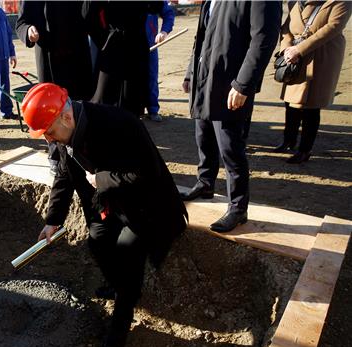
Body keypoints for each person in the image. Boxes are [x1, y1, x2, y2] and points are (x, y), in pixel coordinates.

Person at [21, 83, 188, 347]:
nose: (49, 140)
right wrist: (53, 219)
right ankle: (118, 287)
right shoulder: (64, 134)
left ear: (66, 116)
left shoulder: (119, 123)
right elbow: (64, 176)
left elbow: (147, 174)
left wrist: (100, 180)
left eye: (49, 133)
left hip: (147, 206)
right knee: (98, 242)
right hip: (110, 203)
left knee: (127, 253)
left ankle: (121, 321)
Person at [181, 1, 282, 232]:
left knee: (230, 147)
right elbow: (202, 36)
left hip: (231, 84)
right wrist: (190, 73)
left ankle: (238, 207)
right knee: (203, 134)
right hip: (205, 79)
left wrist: (244, 84)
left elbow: (263, 39)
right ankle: (205, 183)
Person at [16, 1, 94, 176]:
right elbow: (21, 23)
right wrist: (28, 31)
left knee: (80, 105)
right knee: (50, 111)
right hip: (51, 59)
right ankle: (56, 154)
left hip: (78, 56)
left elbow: (90, 13)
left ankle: (85, 149)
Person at [274, 1, 352, 164]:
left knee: (311, 105)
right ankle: (289, 141)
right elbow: (286, 27)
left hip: (320, 58)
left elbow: (333, 27)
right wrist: (287, 48)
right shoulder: (295, 2)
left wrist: (299, 50)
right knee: (291, 102)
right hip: (294, 58)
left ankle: (305, 149)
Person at [82, 1, 165, 116]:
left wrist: (103, 40)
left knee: (130, 99)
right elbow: (88, 15)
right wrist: (103, 40)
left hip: (132, 46)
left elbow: (156, 7)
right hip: (120, 45)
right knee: (108, 98)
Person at [145, 1, 175, 122]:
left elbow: (168, 13)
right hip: (128, 45)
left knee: (151, 77)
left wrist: (164, 31)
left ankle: (152, 109)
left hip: (150, 45)